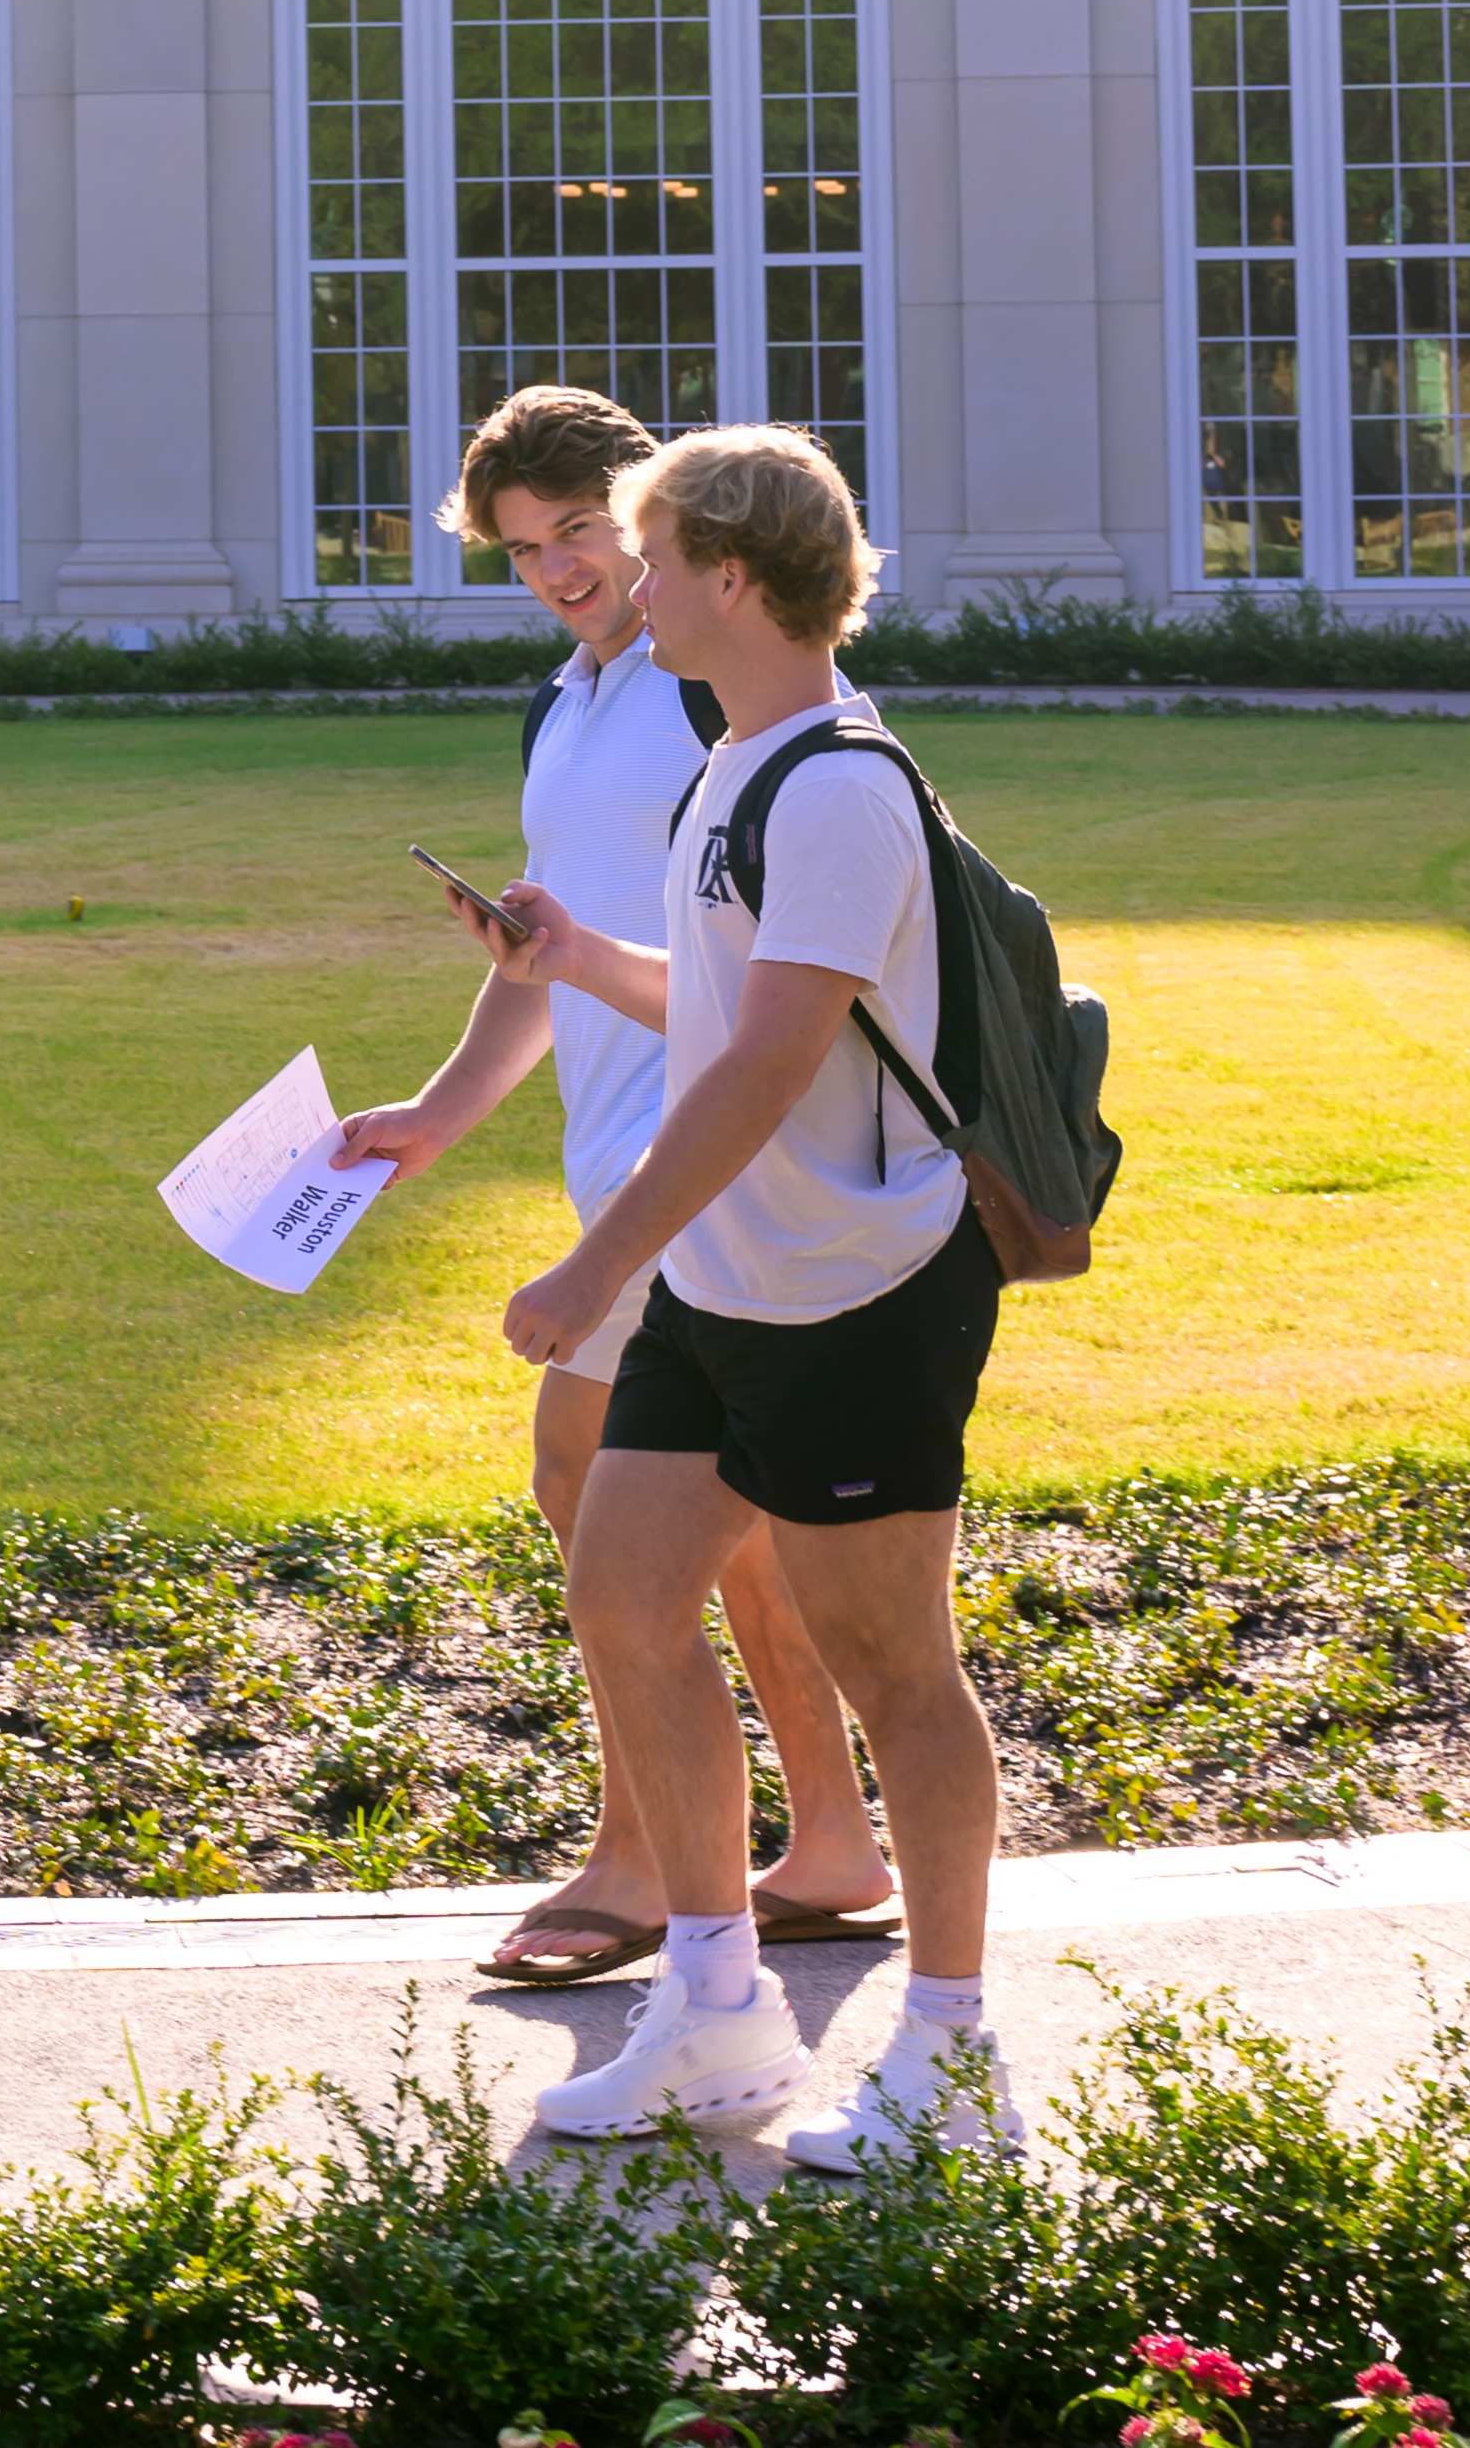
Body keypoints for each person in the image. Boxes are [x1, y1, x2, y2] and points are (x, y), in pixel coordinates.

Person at [483, 422, 1010, 2172]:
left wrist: (593, 1257)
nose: (620, 584)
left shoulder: (839, 786)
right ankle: (714, 2005)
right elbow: (714, 1004)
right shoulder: (733, 761)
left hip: (854, 1287)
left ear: (726, 573)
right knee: (623, 1594)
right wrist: (577, 958)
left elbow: (768, 1064)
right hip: (722, 1288)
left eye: (644, 553)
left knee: (894, 1665)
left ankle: (951, 2051)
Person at [335, 379, 894, 1990]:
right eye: (520, 549)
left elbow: (779, 936)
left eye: (578, 529)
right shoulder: (568, 702)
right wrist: (438, 1113)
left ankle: (643, 1853)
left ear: (650, 520)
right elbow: (550, 951)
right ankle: (828, 1837)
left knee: (589, 1481)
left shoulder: (711, 686)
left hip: (709, 1157)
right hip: (624, 1165)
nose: (557, 569)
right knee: (720, 1522)